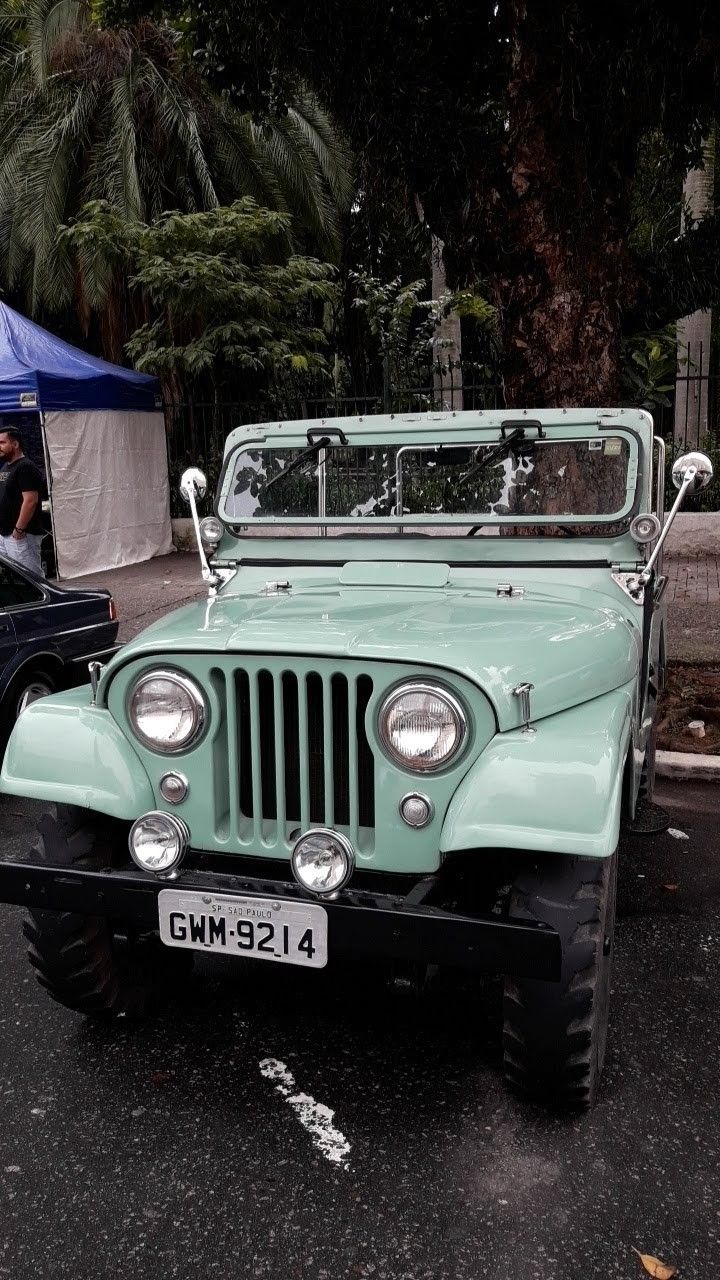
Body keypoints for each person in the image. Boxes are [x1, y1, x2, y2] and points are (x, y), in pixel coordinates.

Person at [0, 426, 45, 576]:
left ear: (15, 444)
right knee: (14, 579)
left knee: (31, 579)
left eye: (2, 442)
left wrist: (19, 530)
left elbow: (31, 500)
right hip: (5, 534)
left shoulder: (25, 467)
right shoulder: (6, 467)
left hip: (22, 535)